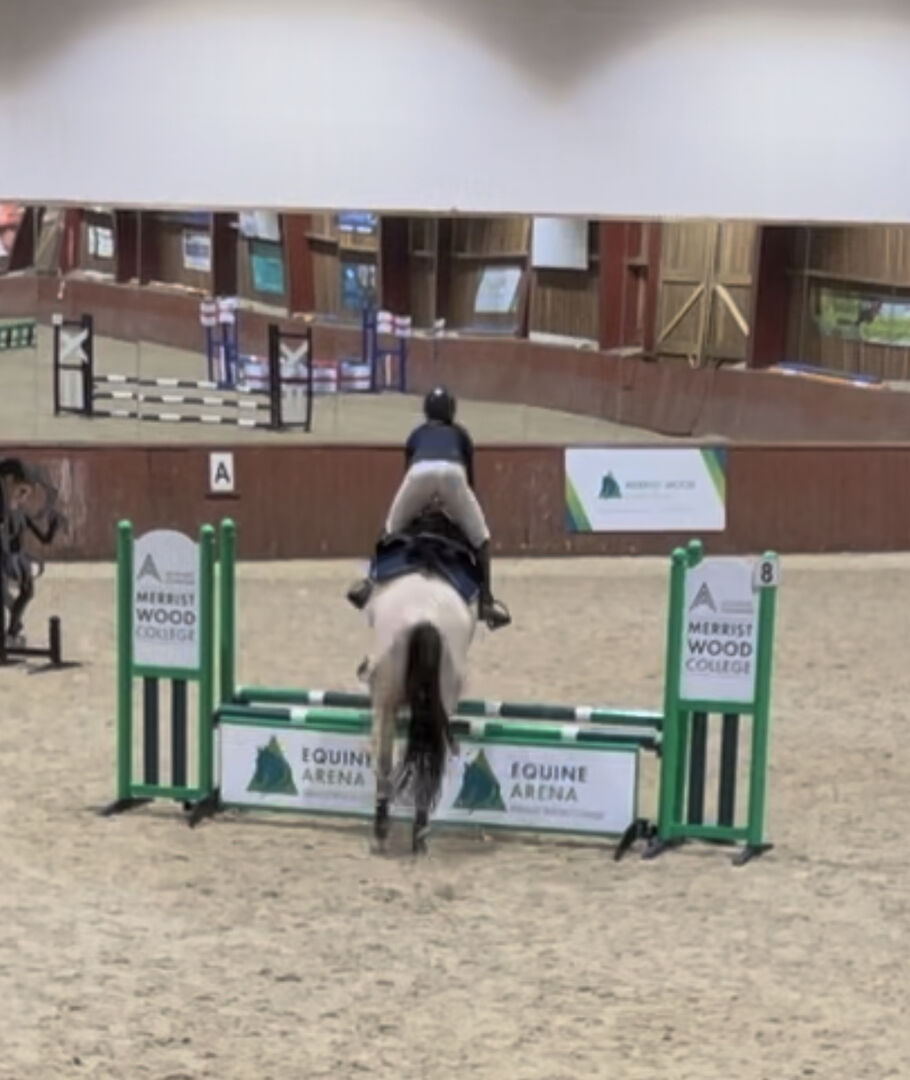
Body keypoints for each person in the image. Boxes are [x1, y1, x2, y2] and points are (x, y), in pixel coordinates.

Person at [346, 386, 510, 629]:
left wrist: (420, 505)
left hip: (419, 473)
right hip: (454, 475)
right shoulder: (461, 434)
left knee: (390, 529)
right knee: (482, 539)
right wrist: (458, 509)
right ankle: (487, 602)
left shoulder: (416, 434)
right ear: (451, 411)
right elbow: (469, 481)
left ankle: (369, 585)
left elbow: (409, 473)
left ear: (427, 411)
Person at [0, 458, 63, 643]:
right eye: (21, 492)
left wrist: (53, 526)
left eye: (26, 494)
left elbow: (44, 539)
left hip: (17, 558)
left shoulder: (22, 514)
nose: (23, 498)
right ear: (9, 484)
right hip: (4, 558)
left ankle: (12, 631)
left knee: (27, 592)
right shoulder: (3, 511)